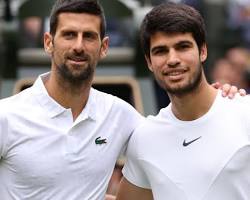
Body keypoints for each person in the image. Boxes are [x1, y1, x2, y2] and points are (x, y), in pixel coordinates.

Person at [0, 0, 244, 199]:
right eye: (69, 34)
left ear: (104, 46)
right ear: (48, 42)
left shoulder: (122, 116)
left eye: (89, 36)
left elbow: (183, 128)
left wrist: (223, 99)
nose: (78, 45)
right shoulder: (6, 116)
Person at [116, 2, 250, 200]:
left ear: (202, 51)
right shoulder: (144, 138)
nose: (172, 59)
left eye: (182, 47)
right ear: (149, 62)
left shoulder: (244, 112)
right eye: (161, 51)